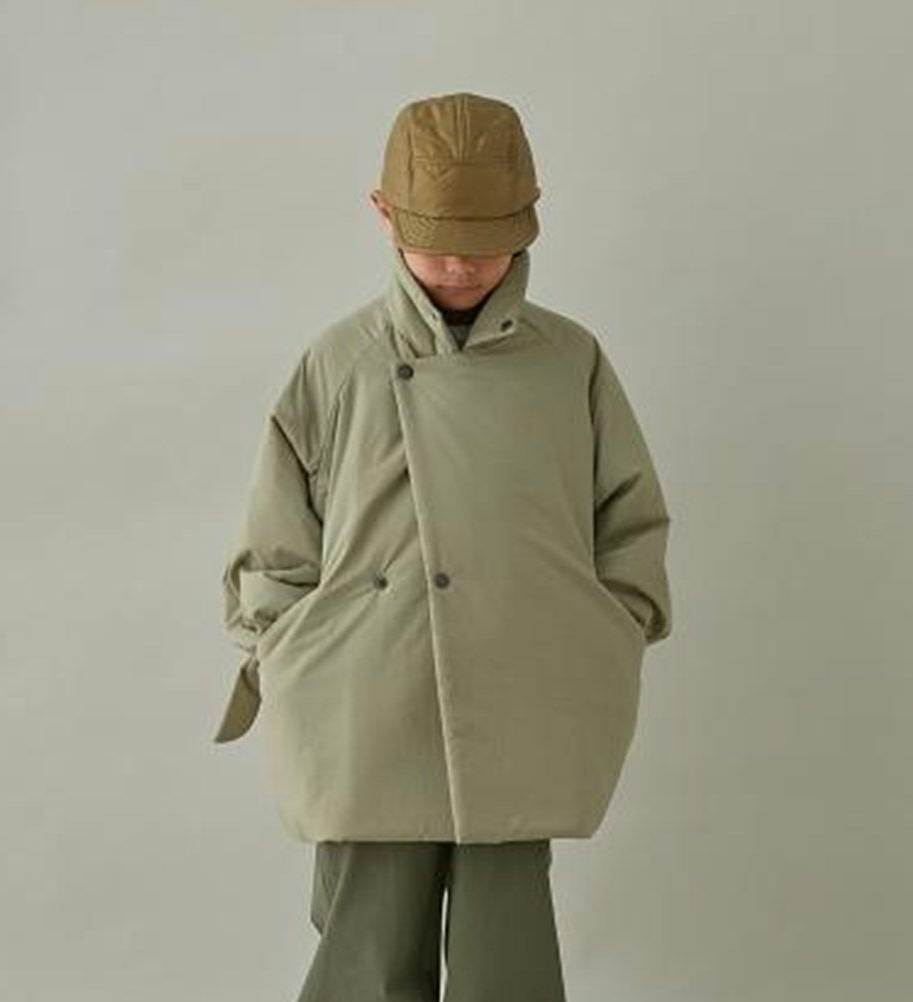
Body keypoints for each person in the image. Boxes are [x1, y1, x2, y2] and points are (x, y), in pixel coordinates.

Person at [214, 91, 673, 1002]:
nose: (461, 262)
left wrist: (610, 628)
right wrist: (293, 651)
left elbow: (629, 519)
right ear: (383, 215)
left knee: (508, 963)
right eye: (437, 239)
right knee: (367, 952)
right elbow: (274, 543)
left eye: (486, 238)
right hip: (363, 696)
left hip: (524, 688)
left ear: (530, 219)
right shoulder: (339, 362)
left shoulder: (567, 362)